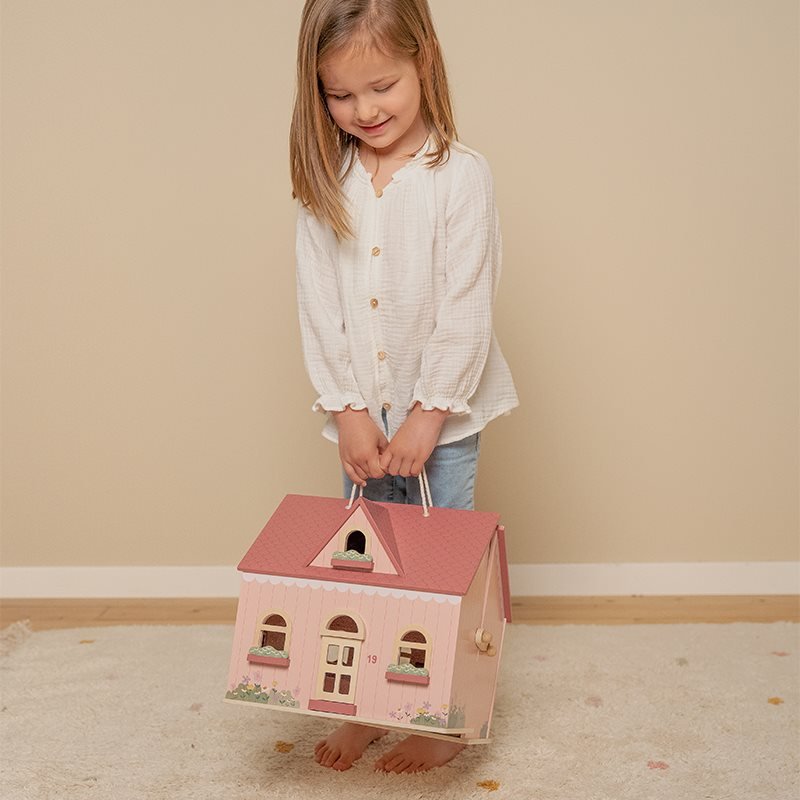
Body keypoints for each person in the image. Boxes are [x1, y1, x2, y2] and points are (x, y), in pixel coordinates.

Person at [290, 0, 518, 774]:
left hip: (440, 419)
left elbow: (466, 304)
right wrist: (349, 409)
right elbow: (319, 303)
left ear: (424, 60)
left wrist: (428, 414)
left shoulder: (460, 177)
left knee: (434, 571)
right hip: (362, 418)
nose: (364, 111)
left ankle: (440, 715)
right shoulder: (329, 180)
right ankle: (361, 706)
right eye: (340, 95)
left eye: (381, 86)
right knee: (366, 570)